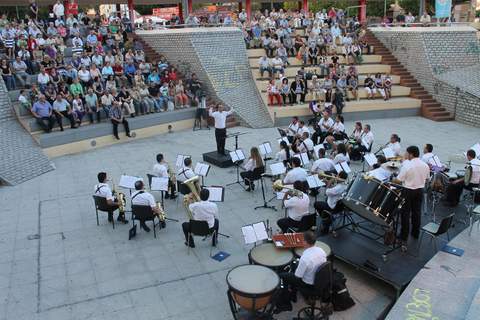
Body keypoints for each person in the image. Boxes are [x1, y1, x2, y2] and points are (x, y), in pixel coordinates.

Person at [278, 231, 327, 310]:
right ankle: (294, 294)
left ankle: (286, 300)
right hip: (320, 280)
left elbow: (298, 276)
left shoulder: (305, 258)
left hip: (308, 284)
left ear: (305, 242)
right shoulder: (321, 250)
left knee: (283, 275)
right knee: (295, 265)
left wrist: (297, 265)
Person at [393, 146, 430, 247]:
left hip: (408, 191)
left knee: (405, 213)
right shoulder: (425, 165)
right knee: (416, 213)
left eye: (406, 153)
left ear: (411, 154)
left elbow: (399, 180)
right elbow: (427, 178)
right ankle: (415, 233)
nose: (405, 154)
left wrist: (393, 178)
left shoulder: (408, 166)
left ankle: (403, 236)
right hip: (420, 190)